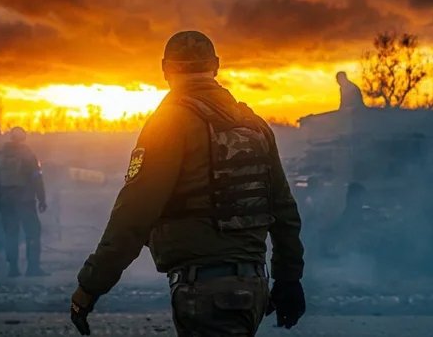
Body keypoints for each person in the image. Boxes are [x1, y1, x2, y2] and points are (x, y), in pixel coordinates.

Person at [70, 31, 305, 336]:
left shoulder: (170, 123)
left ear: (165, 69)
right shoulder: (254, 125)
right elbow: (284, 209)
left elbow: (133, 216)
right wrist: (288, 280)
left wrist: (89, 288)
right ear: (216, 66)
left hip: (204, 290)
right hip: (253, 286)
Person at [0, 126, 47, 277]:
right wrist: (42, 199)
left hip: (6, 201)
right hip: (25, 201)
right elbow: (37, 178)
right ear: (23, 138)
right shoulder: (28, 154)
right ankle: (33, 267)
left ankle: (13, 268)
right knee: (33, 233)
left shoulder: (1, 155)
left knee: (11, 234)